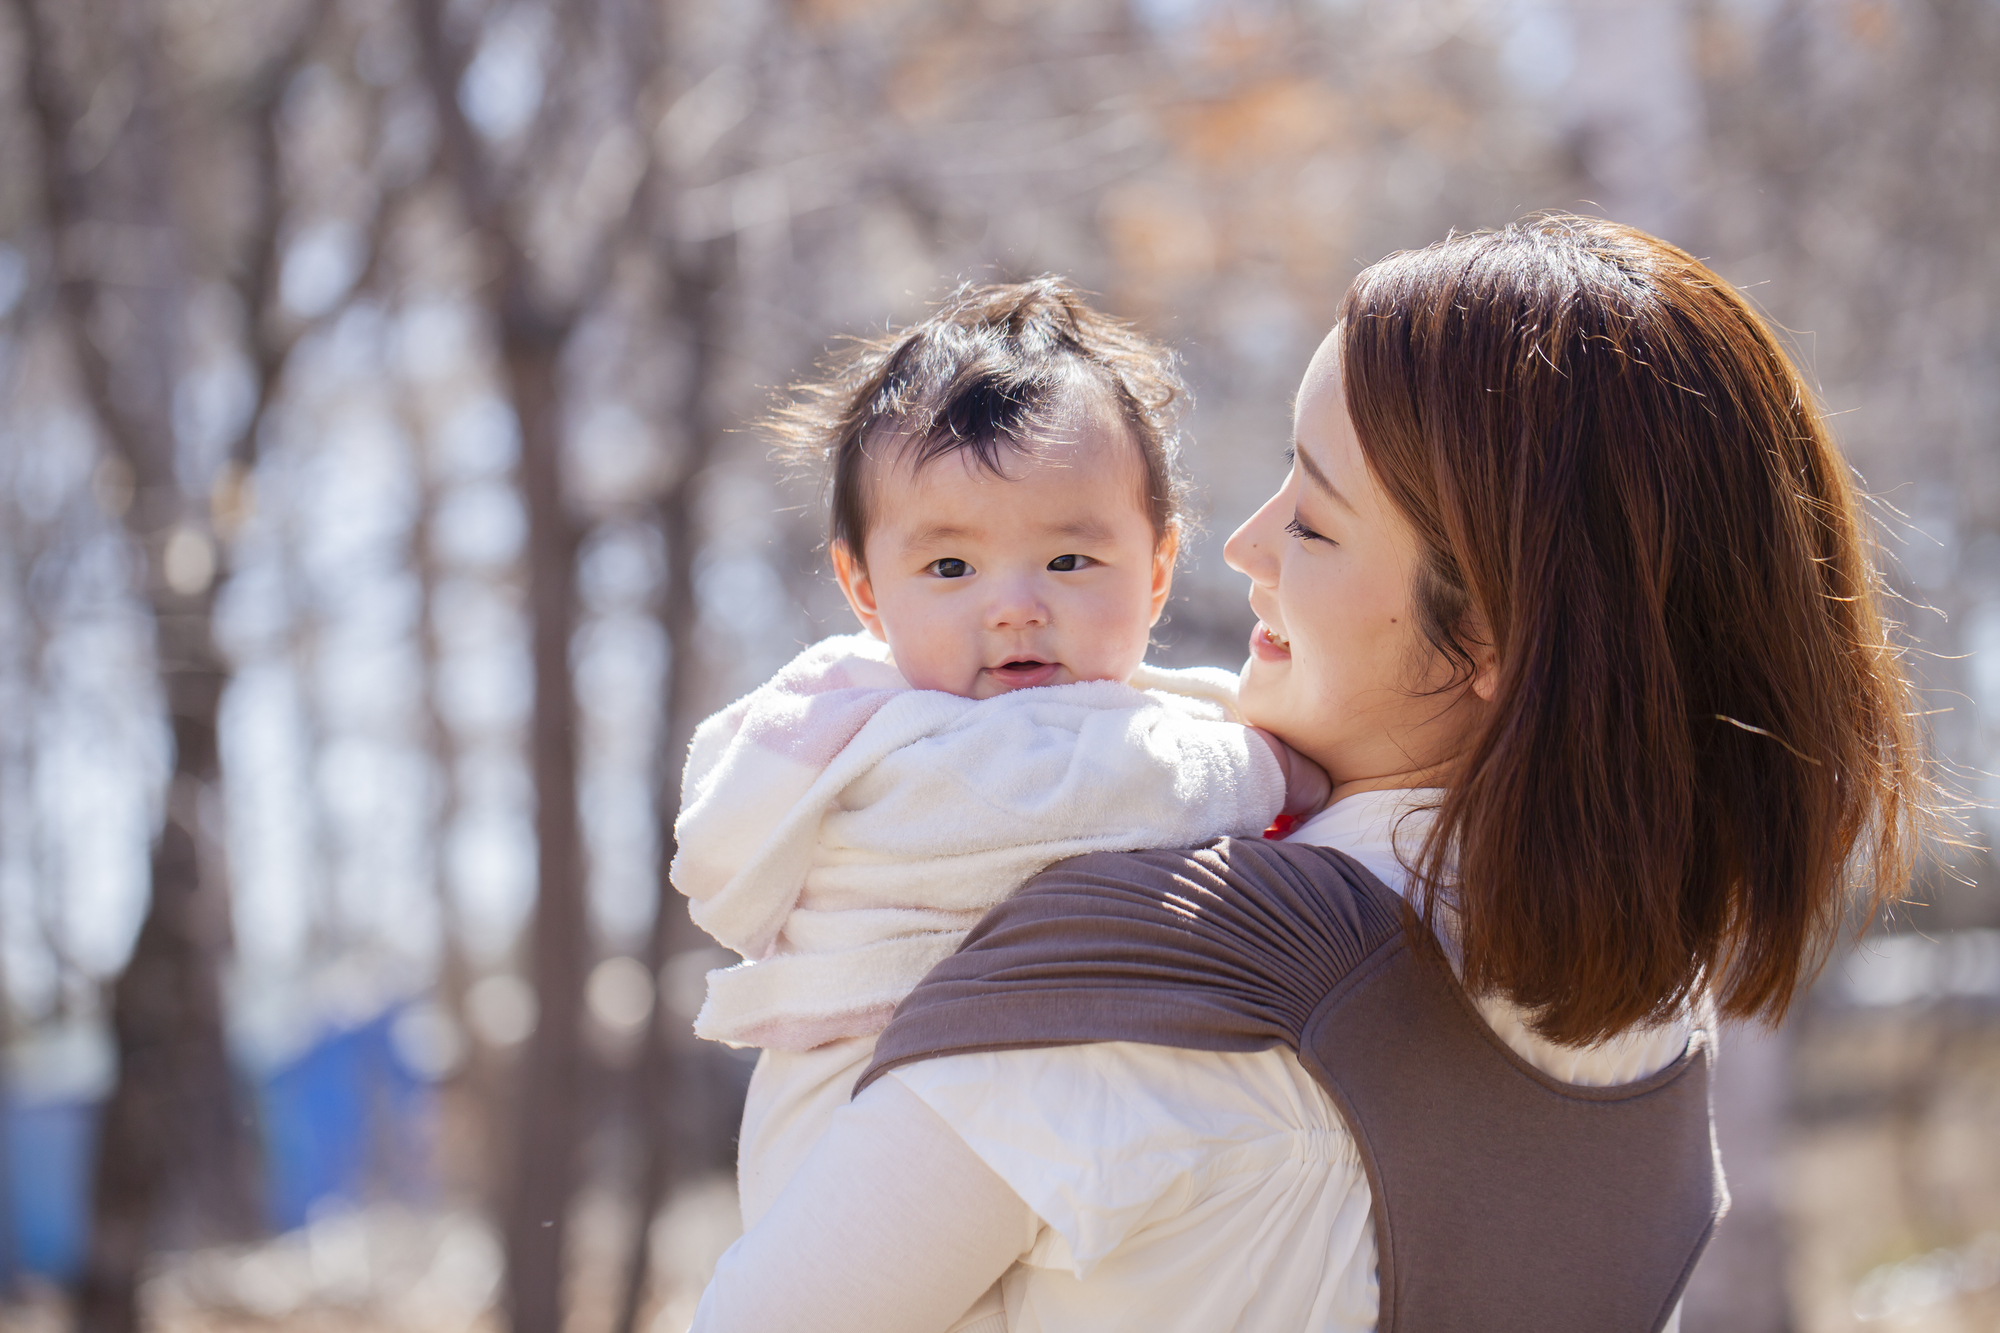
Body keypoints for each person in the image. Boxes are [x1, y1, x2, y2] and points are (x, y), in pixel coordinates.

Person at [689, 216, 1932, 1333]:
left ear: (1496, 629)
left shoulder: (1163, 970)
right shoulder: (1653, 1021)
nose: (1241, 545)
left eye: (1315, 521)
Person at [671, 280, 1332, 1267]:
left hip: (972, 1124)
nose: (1014, 607)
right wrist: (1272, 767)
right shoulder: (901, 754)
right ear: (862, 588)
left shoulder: (1096, 713)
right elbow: (1090, 788)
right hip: (853, 1131)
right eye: (950, 570)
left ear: (1154, 570)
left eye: (1068, 560)